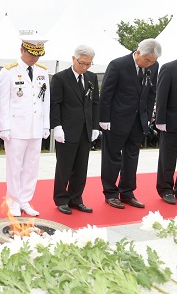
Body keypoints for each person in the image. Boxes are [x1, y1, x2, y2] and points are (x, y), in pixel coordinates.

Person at [99, 39, 161, 209]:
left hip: (138, 120)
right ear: (138, 52)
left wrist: (147, 118)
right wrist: (104, 119)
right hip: (116, 119)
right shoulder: (118, 65)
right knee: (112, 157)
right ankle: (110, 193)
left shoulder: (154, 67)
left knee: (132, 156)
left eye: (153, 61)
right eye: (147, 60)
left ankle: (127, 192)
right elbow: (106, 93)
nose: (149, 64)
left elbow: (151, 93)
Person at [0, 36, 50, 217]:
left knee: (31, 166)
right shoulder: (8, 71)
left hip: (36, 126)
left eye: (37, 55)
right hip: (16, 126)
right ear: (22, 50)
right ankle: (13, 201)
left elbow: (46, 101)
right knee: (14, 166)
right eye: (31, 54)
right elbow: (3, 101)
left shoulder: (42, 71)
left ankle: (25, 200)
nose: (34, 58)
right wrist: (4, 126)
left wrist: (46, 125)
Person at [50, 45, 100, 215]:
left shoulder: (92, 78)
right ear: (74, 59)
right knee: (64, 167)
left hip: (85, 129)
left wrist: (95, 126)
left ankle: (76, 198)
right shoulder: (60, 78)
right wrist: (57, 126)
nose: (84, 67)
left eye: (88, 64)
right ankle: (61, 199)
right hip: (67, 129)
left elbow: (95, 103)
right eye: (82, 63)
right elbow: (55, 104)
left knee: (81, 167)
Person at [155, 58, 177, 205]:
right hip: (171, 122)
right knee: (167, 159)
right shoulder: (168, 68)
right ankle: (165, 189)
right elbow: (161, 96)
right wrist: (160, 121)